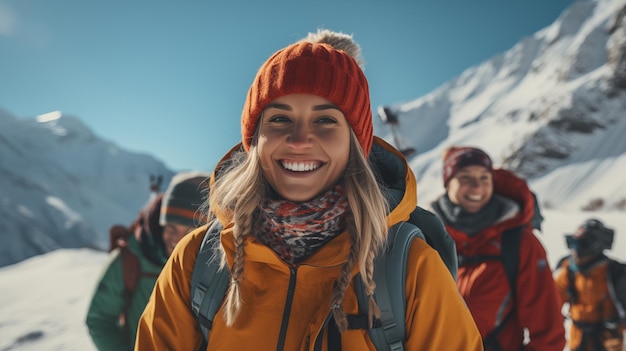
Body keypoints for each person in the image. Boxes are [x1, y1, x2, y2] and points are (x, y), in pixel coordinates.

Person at [134, 31, 482, 350]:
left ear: (355, 144)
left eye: (325, 120)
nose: (300, 141)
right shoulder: (198, 261)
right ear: (255, 140)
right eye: (280, 119)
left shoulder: (409, 268)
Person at [431, 146, 566, 350]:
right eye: (465, 177)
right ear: (447, 183)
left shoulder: (518, 243)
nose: (477, 186)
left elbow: (549, 334)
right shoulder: (428, 236)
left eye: (485, 177)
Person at [86, 171, 210, 351]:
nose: (177, 240)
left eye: (189, 232)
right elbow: (99, 319)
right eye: (171, 227)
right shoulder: (131, 258)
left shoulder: (214, 265)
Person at [554, 219, 626, 351]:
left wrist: (616, 328)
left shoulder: (614, 273)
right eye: (572, 244)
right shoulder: (568, 271)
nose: (575, 251)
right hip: (578, 342)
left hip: (607, 343)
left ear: (594, 247)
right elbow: (551, 303)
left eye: (581, 245)